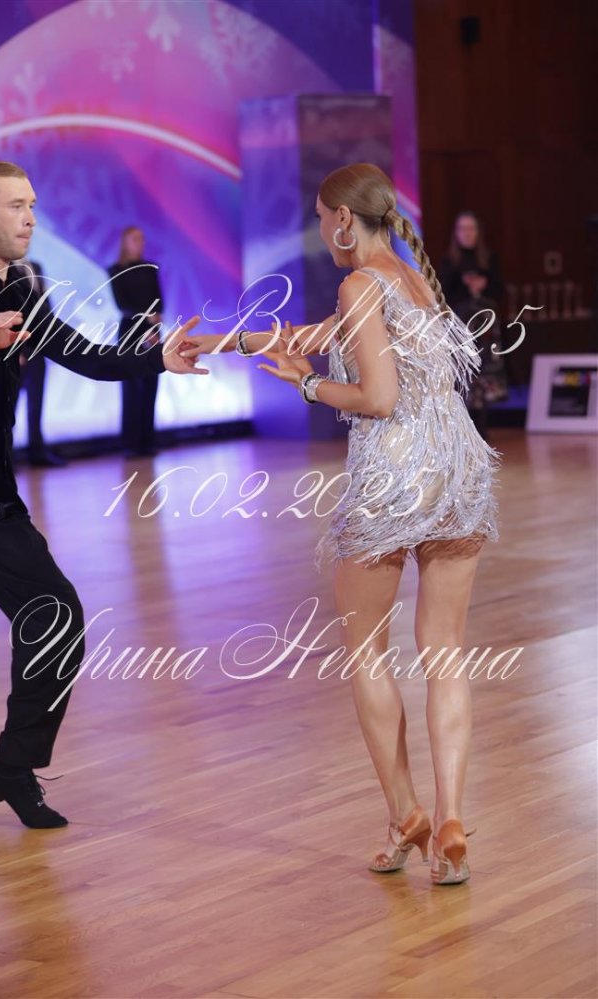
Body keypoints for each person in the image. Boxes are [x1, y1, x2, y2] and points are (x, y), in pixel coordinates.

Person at [183, 163, 501, 886]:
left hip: (394, 479)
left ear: (345, 221)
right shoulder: (415, 279)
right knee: (445, 652)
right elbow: (307, 334)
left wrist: (304, 384)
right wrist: (216, 343)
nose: (321, 229)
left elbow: (378, 399)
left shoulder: (359, 283)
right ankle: (450, 821)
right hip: (458, 472)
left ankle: (405, 815)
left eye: (323, 217)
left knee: (368, 652)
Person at [0, 161, 207, 827]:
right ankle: (13, 766)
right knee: (54, 614)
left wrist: (157, 359)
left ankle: (12, 764)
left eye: (32, 204)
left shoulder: (24, 289)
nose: (30, 217)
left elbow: (84, 354)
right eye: (16, 205)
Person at [438, 212, 508, 441]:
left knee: (485, 372)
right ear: (456, 233)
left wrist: (483, 285)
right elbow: (442, 294)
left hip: (486, 328)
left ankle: (482, 423)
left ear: (478, 232)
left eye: (471, 228)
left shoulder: (489, 259)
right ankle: (465, 425)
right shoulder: (449, 261)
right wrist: (465, 286)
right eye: (462, 229)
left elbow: (500, 290)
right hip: (461, 328)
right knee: (464, 373)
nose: (467, 233)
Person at [107, 228, 165, 456]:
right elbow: (122, 305)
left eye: (142, 238)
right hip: (130, 331)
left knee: (151, 385)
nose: (141, 242)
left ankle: (148, 440)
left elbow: (159, 301)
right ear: (125, 242)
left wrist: (154, 326)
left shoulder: (150, 268)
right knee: (131, 387)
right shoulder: (116, 270)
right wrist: (145, 319)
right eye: (135, 239)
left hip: (152, 332)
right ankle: (130, 443)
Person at [14, 256, 67, 467]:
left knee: (36, 401)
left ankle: (36, 451)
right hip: (17, 349)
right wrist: (16, 350)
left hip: (39, 346)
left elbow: (44, 306)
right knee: (10, 405)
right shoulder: (5, 269)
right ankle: (5, 455)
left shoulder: (35, 266)